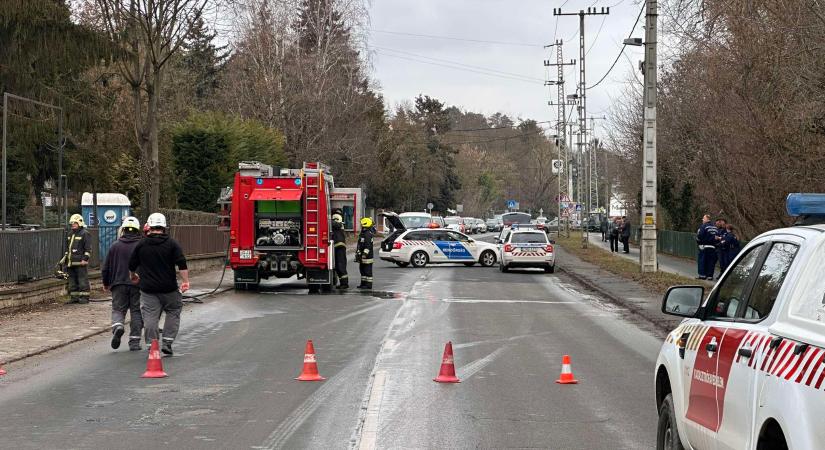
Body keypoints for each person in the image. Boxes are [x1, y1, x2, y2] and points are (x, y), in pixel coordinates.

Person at [128, 213, 189, 356]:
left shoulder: (141, 244)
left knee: (150, 317)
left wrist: (133, 276)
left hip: (148, 290)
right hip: (169, 289)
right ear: (164, 227)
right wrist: (185, 281)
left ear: (149, 226)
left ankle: (152, 344)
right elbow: (182, 264)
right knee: (174, 311)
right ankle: (167, 342)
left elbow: (131, 264)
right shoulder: (172, 244)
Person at [102, 216, 144, 351]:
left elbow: (106, 267)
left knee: (118, 309)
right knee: (136, 312)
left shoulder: (115, 245)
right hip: (138, 284)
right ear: (138, 230)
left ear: (123, 230)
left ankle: (118, 326)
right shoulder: (142, 245)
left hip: (118, 283)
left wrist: (106, 282)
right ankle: (134, 342)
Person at [59, 214, 92, 304]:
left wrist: (85, 259)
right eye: (72, 223)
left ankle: (84, 297)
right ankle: (74, 297)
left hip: (80, 262)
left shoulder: (85, 233)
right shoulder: (70, 234)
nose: (73, 224)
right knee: (72, 281)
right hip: (71, 263)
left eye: (75, 223)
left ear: (80, 223)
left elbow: (88, 249)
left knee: (82, 280)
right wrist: (65, 259)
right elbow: (67, 248)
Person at [695, 214, 719, 280]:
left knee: (702, 261)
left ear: (706, 219)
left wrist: (698, 241)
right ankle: (710, 276)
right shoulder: (715, 227)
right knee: (711, 262)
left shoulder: (703, 226)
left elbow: (700, 235)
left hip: (704, 246)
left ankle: (702, 275)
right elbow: (717, 237)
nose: (703, 220)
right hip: (713, 247)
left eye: (703, 219)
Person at [356, 217, 375, 289]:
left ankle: (368, 285)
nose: (361, 226)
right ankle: (363, 284)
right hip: (362, 256)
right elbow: (360, 244)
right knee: (362, 270)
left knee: (367, 271)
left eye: (362, 224)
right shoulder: (363, 233)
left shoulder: (367, 234)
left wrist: (364, 254)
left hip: (367, 257)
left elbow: (367, 246)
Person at [331, 209, 349, 289]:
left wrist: (329, 222)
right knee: (339, 265)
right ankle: (343, 283)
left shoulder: (336, 217)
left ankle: (344, 284)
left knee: (340, 265)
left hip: (339, 245)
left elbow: (337, 225)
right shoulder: (338, 217)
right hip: (338, 245)